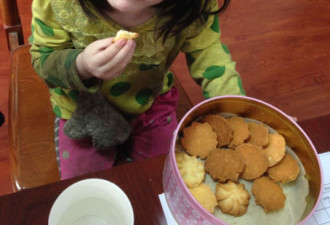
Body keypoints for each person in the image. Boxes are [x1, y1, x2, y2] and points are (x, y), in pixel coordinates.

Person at [29, 0, 245, 179]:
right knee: (83, 187)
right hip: (80, 108)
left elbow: (211, 58)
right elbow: (44, 61)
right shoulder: (57, 4)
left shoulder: (193, 6)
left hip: (150, 103)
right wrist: (82, 65)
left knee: (162, 177)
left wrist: (235, 112)